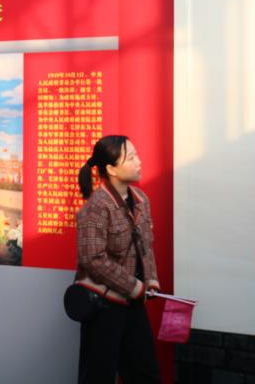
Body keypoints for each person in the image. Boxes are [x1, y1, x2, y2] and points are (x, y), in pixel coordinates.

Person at [75, 135, 161, 384]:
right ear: (111, 169)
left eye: (136, 155)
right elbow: (93, 258)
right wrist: (133, 286)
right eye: (131, 158)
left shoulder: (141, 200)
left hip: (134, 302)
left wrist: (151, 279)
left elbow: (146, 246)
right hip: (103, 305)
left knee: (145, 373)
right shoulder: (96, 206)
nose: (139, 161)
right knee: (98, 375)